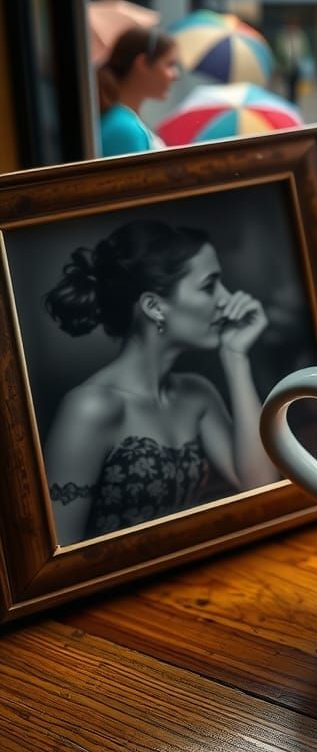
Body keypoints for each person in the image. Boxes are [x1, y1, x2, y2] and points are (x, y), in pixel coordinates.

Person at [41, 220, 278, 545]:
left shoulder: (198, 395)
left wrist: (236, 357)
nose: (227, 299)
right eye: (209, 286)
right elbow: (57, 557)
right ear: (154, 307)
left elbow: (261, 490)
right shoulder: (89, 408)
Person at [97, 27, 179, 157]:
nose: (175, 75)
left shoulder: (122, 121)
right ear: (142, 63)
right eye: (169, 64)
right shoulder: (124, 129)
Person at [274, 18, 311, 103]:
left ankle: (294, 102)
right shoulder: (282, 37)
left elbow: (305, 50)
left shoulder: (301, 36)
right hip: (286, 67)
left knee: (296, 87)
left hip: (298, 66)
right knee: (288, 87)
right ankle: (290, 102)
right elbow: (279, 51)